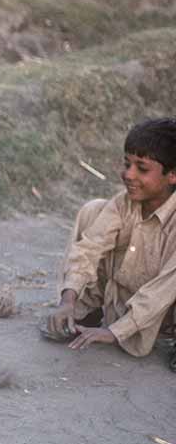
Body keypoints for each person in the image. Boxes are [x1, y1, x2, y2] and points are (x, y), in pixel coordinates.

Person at [43, 118, 176, 364]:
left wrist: (114, 333)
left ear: (172, 175)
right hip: (127, 298)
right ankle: (84, 310)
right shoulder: (123, 203)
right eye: (127, 164)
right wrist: (67, 299)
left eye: (142, 168)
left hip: (163, 311)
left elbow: (160, 292)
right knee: (94, 210)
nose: (128, 174)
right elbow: (89, 248)